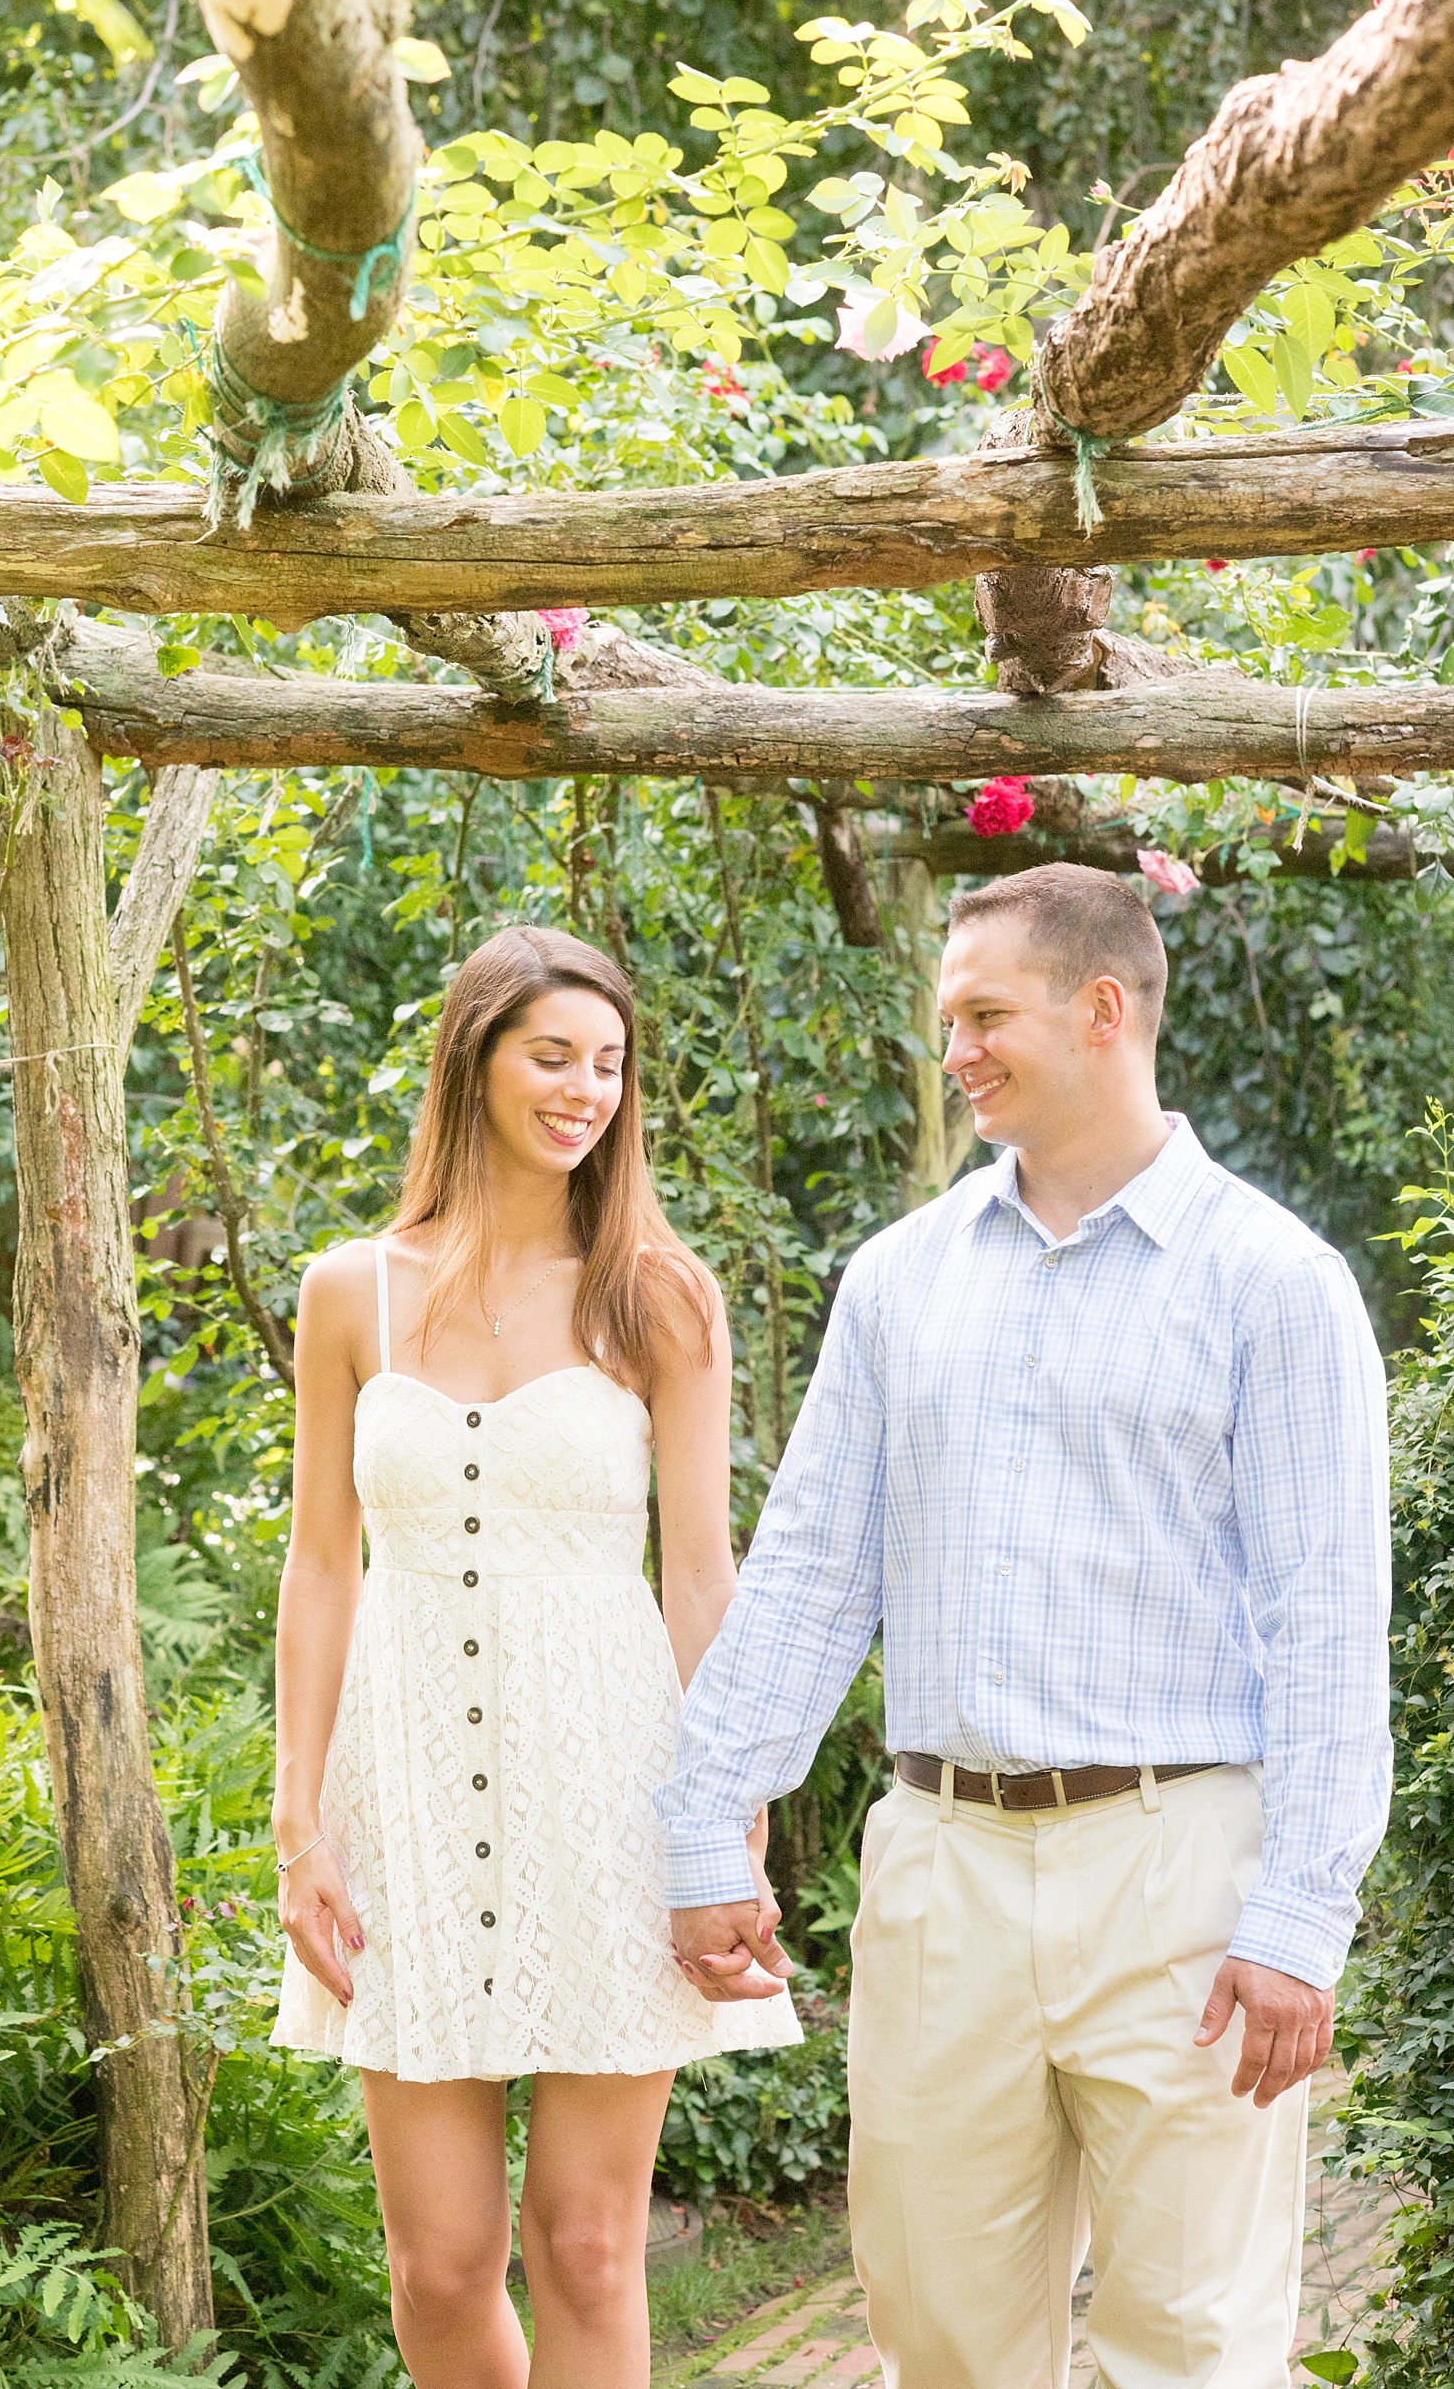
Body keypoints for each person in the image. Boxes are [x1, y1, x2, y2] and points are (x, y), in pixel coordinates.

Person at [657, 863, 1391, 2389]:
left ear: (1104, 1009)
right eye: (948, 1019)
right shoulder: (897, 1282)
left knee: (1190, 2345)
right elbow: (807, 1577)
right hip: (942, 1870)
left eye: (986, 1014)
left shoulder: (1276, 1286)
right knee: (937, 2334)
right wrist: (703, 1824)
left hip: (1182, 1867)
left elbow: (1328, 1626)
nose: (959, 1049)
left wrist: (1301, 1921)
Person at [269, 924, 799, 2389]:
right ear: (475, 1060)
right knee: (437, 2270)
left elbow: (700, 1569)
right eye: (553, 1056)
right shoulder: (348, 1294)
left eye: (610, 1066)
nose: (585, 1091)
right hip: (408, 1799)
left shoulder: (662, 1297)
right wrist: (296, 1815)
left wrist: (729, 1807)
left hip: (613, 1788)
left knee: (584, 2244)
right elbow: (321, 1569)